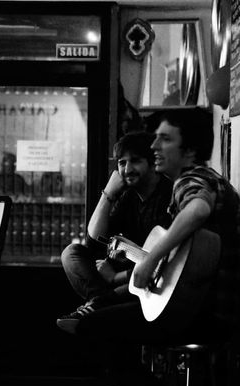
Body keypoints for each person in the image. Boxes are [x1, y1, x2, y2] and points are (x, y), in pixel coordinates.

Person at [72, 108, 240, 386]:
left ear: (189, 149)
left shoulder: (190, 180)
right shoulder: (208, 179)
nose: (154, 147)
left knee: (93, 327)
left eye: (164, 139)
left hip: (201, 315)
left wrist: (150, 259)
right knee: (107, 315)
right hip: (207, 309)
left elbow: (198, 209)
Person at [57, 131, 173, 334]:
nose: (127, 169)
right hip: (123, 278)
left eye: (135, 161)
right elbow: (94, 240)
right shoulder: (129, 196)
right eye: (121, 162)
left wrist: (115, 277)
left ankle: (98, 306)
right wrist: (108, 194)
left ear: (152, 162)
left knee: (130, 290)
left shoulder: (167, 196)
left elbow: (164, 264)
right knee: (71, 253)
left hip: (151, 280)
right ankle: (102, 302)